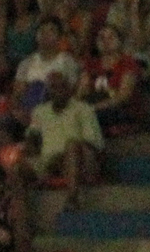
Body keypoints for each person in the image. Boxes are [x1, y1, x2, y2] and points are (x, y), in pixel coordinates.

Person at [25, 72, 100, 210]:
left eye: (62, 86)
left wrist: (63, 155)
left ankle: (72, 198)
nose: (58, 90)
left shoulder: (83, 109)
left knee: (72, 145)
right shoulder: (40, 111)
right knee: (15, 165)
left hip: (77, 160)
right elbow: (32, 136)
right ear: (48, 91)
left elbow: (93, 144)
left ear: (69, 88)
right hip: (48, 162)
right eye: (53, 87)